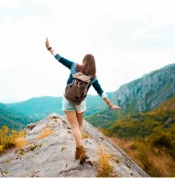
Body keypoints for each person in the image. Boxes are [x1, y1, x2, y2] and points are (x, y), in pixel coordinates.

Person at [44, 37, 121, 165]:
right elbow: (101, 92)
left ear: (84, 61)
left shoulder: (75, 66)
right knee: (79, 126)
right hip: (80, 102)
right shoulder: (93, 77)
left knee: (74, 126)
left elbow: (59, 58)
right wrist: (110, 104)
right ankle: (79, 151)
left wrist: (49, 48)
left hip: (68, 98)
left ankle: (82, 152)